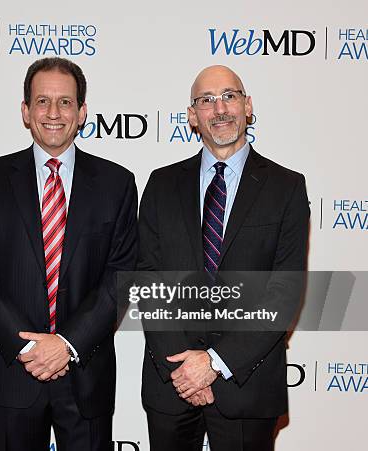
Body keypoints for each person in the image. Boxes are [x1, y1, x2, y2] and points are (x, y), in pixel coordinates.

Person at [0, 57, 138, 451]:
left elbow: (121, 274)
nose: (53, 113)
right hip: (15, 371)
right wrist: (28, 346)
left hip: (85, 370)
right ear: (25, 111)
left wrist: (67, 344)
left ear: (82, 112)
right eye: (42, 102)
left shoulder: (117, 183)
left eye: (65, 102)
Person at [138, 65, 310, 451]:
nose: (219, 109)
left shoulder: (287, 187)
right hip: (172, 383)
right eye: (206, 100)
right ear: (192, 116)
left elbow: (283, 294)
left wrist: (214, 362)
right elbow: (149, 281)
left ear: (248, 106)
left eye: (229, 96)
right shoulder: (161, 184)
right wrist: (185, 368)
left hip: (247, 385)